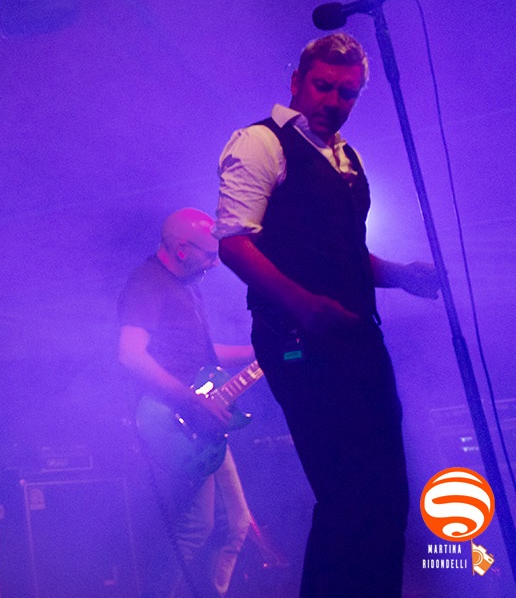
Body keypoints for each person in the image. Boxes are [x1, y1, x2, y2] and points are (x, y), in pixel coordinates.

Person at [213, 32, 438, 598]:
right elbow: (234, 244)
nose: (334, 100)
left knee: (386, 497)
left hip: (358, 340)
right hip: (297, 340)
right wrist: (305, 305)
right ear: (296, 82)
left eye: (347, 93)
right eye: (323, 86)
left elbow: (345, 253)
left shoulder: (347, 158)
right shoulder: (262, 143)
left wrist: (401, 276)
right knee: (346, 496)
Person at [118, 208, 255, 598]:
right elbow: (130, 355)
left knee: (236, 524)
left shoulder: (188, 285)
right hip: (175, 420)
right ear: (181, 249)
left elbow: (205, 355)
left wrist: (256, 352)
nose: (215, 263)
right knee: (194, 528)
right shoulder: (147, 283)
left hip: (202, 418)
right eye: (209, 254)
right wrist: (192, 402)